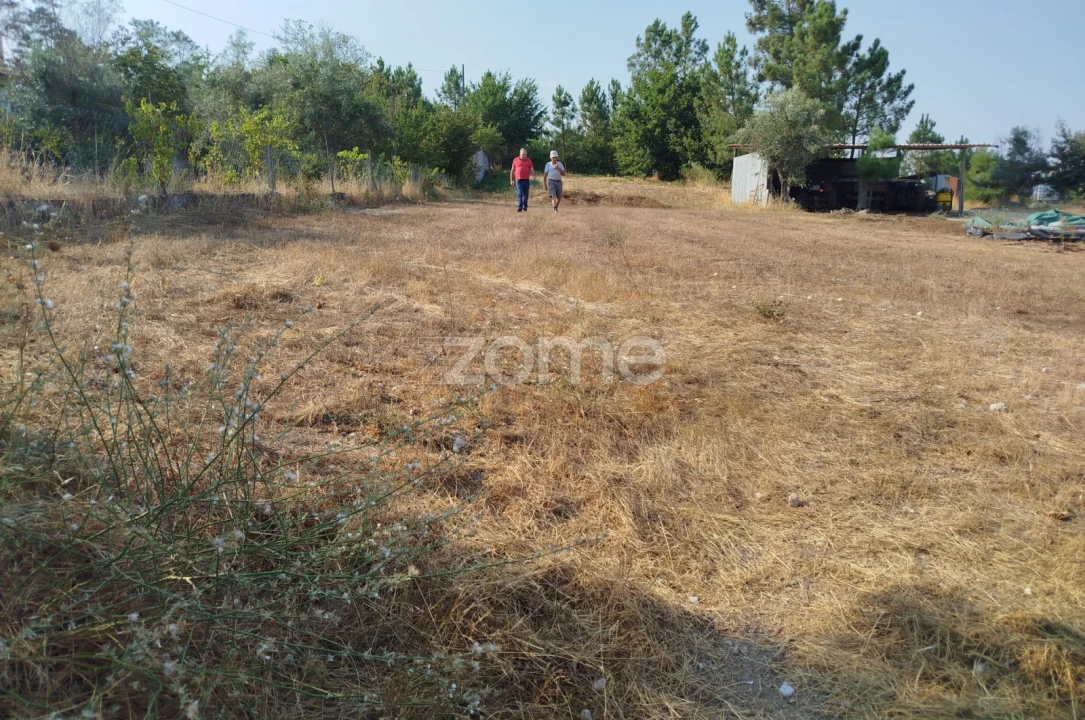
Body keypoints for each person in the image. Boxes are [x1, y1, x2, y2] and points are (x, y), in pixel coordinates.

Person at [510, 148, 533, 212]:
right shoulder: (515, 160)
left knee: (526, 194)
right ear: (520, 154)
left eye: (525, 154)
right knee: (520, 193)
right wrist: (511, 180)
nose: (524, 156)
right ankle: (520, 207)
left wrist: (533, 175)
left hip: (526, 180)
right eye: (523, 154)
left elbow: (532, 169)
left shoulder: (529, 160)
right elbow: (512, 171)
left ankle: (525, 207)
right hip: (518, 180)